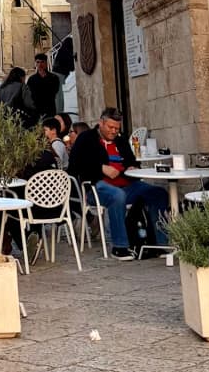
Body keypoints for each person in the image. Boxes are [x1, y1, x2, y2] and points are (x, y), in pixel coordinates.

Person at [69, 106, 168, 260]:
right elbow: (74, 165)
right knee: (117, 195)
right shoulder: (86, 138)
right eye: (111, 127)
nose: (114, 131)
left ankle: (161, 245)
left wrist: (132, 167)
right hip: (96, 187)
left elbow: (131, 161)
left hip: (126, 185)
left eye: (117, 128)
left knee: (158, 193)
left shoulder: (121, 140)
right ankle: (120, 247)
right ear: (100, 123)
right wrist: (101, 168)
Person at [25, 52, 60, 123]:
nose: (40, 64)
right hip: (36, 111)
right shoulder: (31, 79)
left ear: (46, 63)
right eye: (38, 62)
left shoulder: (54, 78)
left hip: (49, 109)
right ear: (35, 63)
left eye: (42, 62)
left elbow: (54, 91)